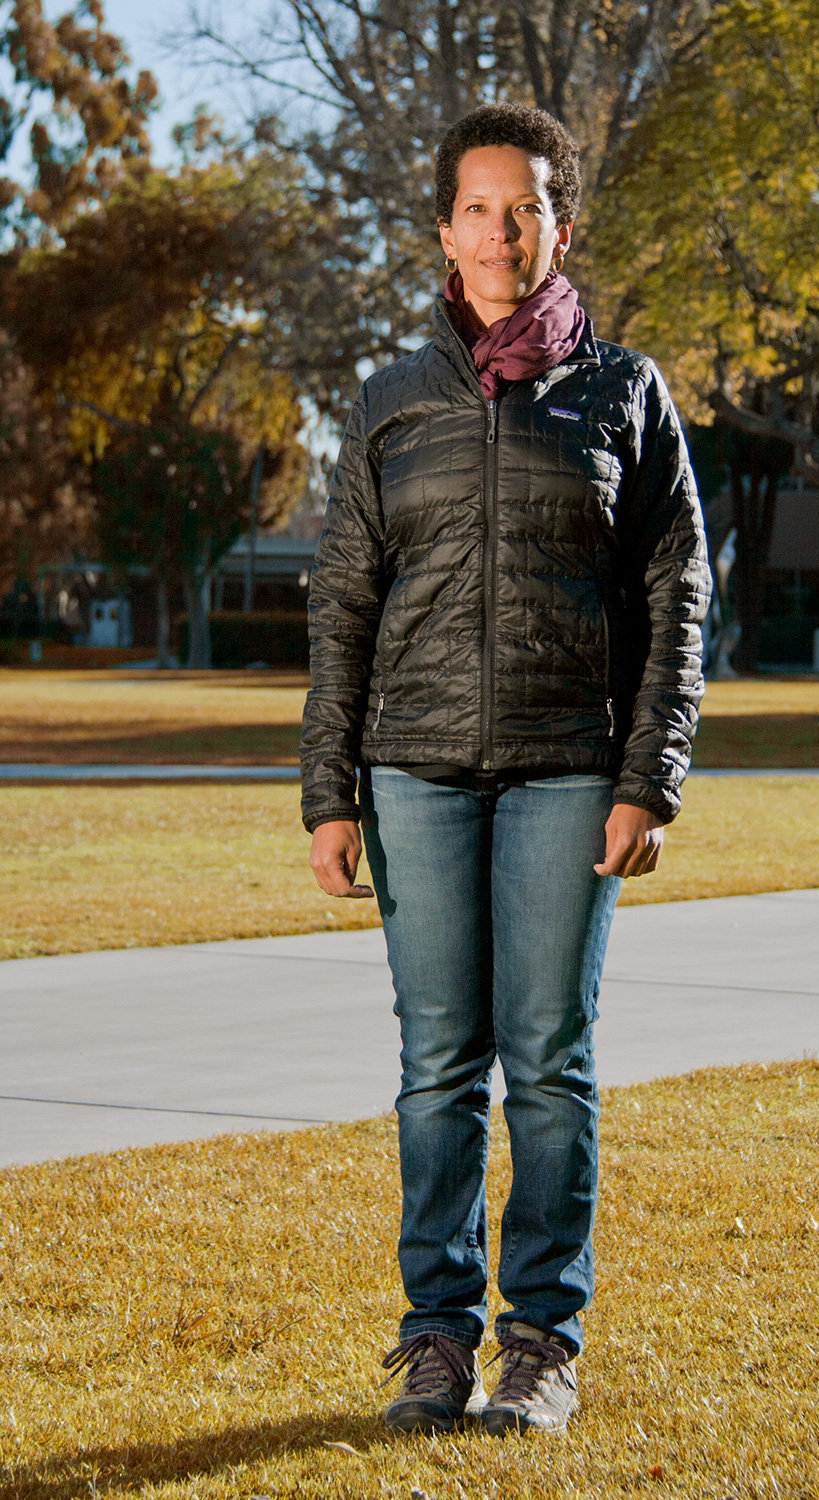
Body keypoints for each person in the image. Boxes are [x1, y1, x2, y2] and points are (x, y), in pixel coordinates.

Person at [301, 103, 710, 1436]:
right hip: (410, 772)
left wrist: (647, 774)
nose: (498, 231)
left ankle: (539, 1345)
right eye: (475, 208)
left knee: (547, 1064)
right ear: (442, 232)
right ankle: (434, 1341)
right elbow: (344, 603)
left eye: (523, 206)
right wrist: (328, 793)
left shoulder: (625, 394)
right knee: (436, 1067)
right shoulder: (388, 401)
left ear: (562, 226)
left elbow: (677, 590)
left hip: (562, 774)